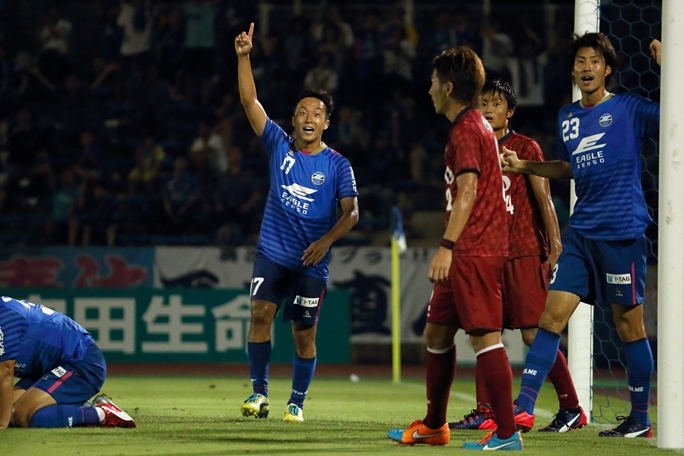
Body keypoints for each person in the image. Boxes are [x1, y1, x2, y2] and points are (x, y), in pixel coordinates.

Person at [501, 33, 662, 438]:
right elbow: (570, 167)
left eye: (594, 61)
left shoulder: (629, 108)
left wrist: (669, 67)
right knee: (550, 318)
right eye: (580, 61)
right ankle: (522, 409)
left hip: (621, 231)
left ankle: (640, 418)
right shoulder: (568, 117)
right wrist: (524, 166)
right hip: (581, 234)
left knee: (629, 327)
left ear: (607, 69)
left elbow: (675, 115)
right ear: (572, 70)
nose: (586, 67)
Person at [387, 47, 522, 451]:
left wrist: (446, 246)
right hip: (468, 247)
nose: (428, 89)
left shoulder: (466, 129)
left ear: (448, 87)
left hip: (473, 248)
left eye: (432, 82)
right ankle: (434, 425)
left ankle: (506, 433)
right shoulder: (474, 125)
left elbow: (468, 190)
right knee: (437, 331)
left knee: (484, 337)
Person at [235, 23, 359, 422]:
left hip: (311, 263)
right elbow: (250, 101)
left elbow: (352, 213)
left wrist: (326, 241)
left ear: (326, 124)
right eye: (303, 112)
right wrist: (244, 57)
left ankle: (297, 402)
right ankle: (259, 394)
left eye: (317, 114)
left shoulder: (338, 165)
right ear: (293, 119)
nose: (309, 117)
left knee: (304, 335)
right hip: (272, 255)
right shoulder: (278, 144)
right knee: (259, 315)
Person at [450, 78, 585, 433]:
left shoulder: (525, 147)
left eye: (496, 104)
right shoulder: (473, 148)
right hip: (486, 252)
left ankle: (571, 406)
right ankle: (485, 411)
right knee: (485, 331)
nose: (488, 109)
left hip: (523, 250)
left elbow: (544, 199)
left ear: (509, 111)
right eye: (483, 103)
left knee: (532, 333)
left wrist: (555, 246)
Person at [0, 295, 135, 429]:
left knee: (20, 415)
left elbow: (5, 371)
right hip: (48, 370)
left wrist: (1, 425)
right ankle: (72, 404)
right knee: (7, 410)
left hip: (81, 363)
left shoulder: (6, 315)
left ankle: (101, 413)